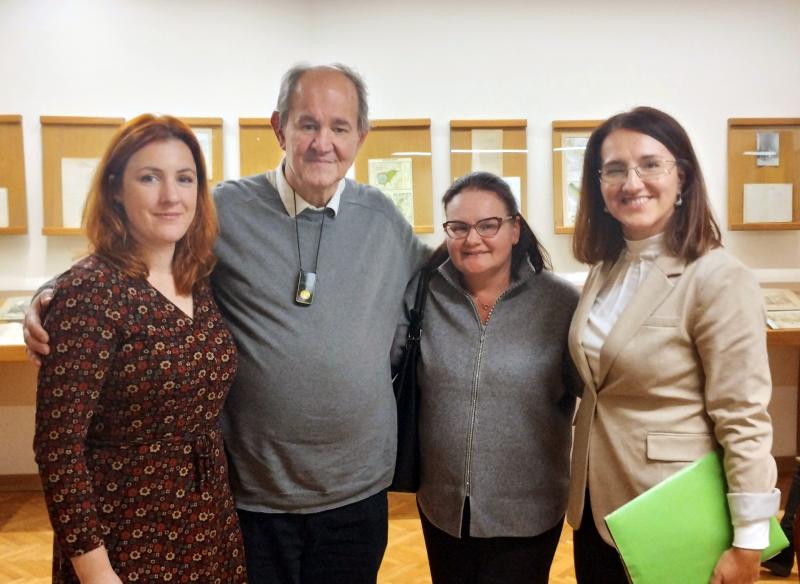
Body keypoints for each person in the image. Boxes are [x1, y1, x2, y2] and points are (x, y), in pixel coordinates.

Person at [25, 64, 428, 584]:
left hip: (358, 493)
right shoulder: (223, 211)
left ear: (361, 137)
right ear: (279, 128)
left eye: (340, 127)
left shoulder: (384, 219)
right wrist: (49, 295)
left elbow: (446, 273)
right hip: (251, 496)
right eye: (307, 124)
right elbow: (136, 251)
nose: (322, 142)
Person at [567, 106, 779, 584]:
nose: (631, 182)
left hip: (670, 509)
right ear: (599, 186)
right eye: (614, 169)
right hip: (595, 504)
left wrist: (749, 541)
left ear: (681, 177)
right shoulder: (606, 268)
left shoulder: (718, 278)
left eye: (650, 164)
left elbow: (743, 416)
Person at [32, 114, 246, 583]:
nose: (171, 196)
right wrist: (94, 570)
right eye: (150, 178)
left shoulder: (198, 278)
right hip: (125, 535)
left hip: (207, 521)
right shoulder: (90, 293)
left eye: (184, 178)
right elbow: (58, 448)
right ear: (115, 189)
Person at [395, 172, 581, 584]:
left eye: (488, 225)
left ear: (515, 229)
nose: (472, 239)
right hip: (442, 508)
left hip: (529, 512)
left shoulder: (561, 303)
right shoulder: (424, 294)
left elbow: (592, 391)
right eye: (458, 227)